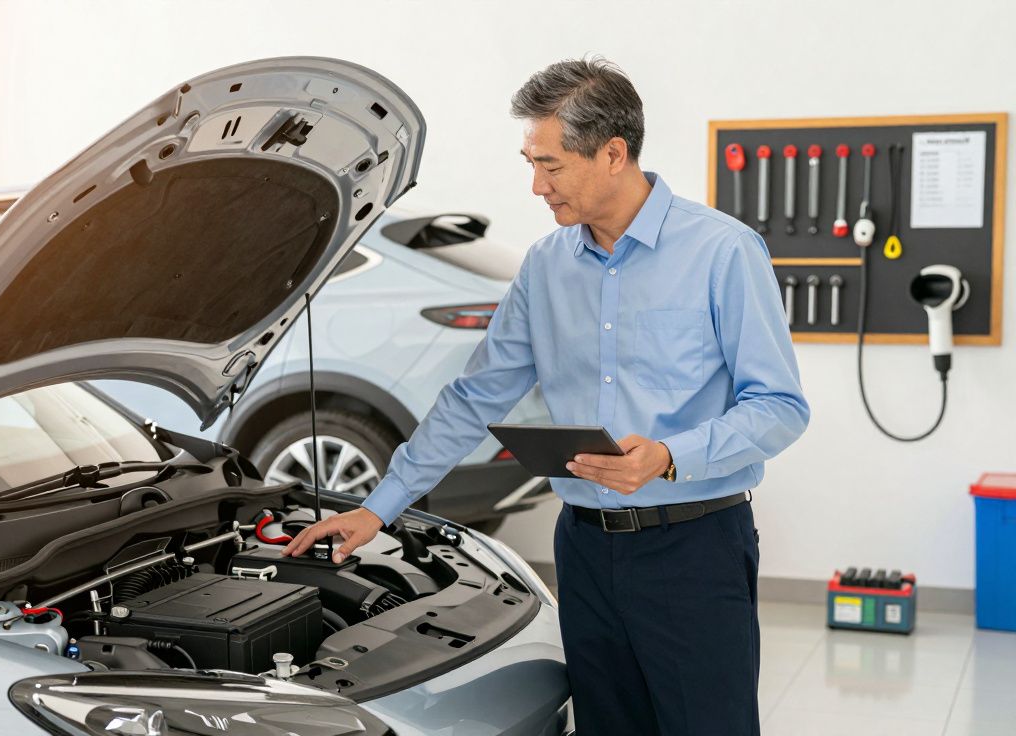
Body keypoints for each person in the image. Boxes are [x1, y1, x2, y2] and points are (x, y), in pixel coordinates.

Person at [282, 56, 809, 735]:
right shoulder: (545, 266)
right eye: (530, 163)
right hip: (585, 552)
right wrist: (379, 509)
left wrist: (670, 456)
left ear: (613, 154)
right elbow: (475, 397)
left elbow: (780, 407)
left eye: (551, 165)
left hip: (693, 550)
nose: (536, 185)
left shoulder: (723, 252)